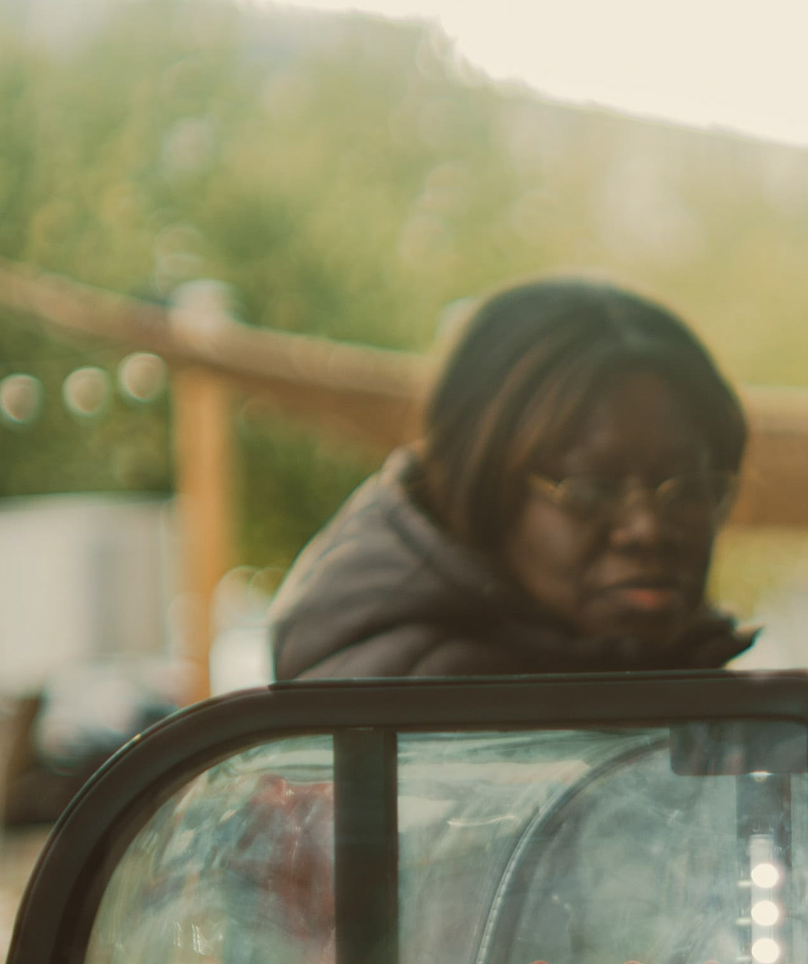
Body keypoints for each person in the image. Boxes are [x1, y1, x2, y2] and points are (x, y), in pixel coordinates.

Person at [268, 277, 752, 681]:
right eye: (590, 489)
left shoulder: (604, 663)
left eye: (690, 486)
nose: (648, 528)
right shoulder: (423, 701)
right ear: (481, 488)